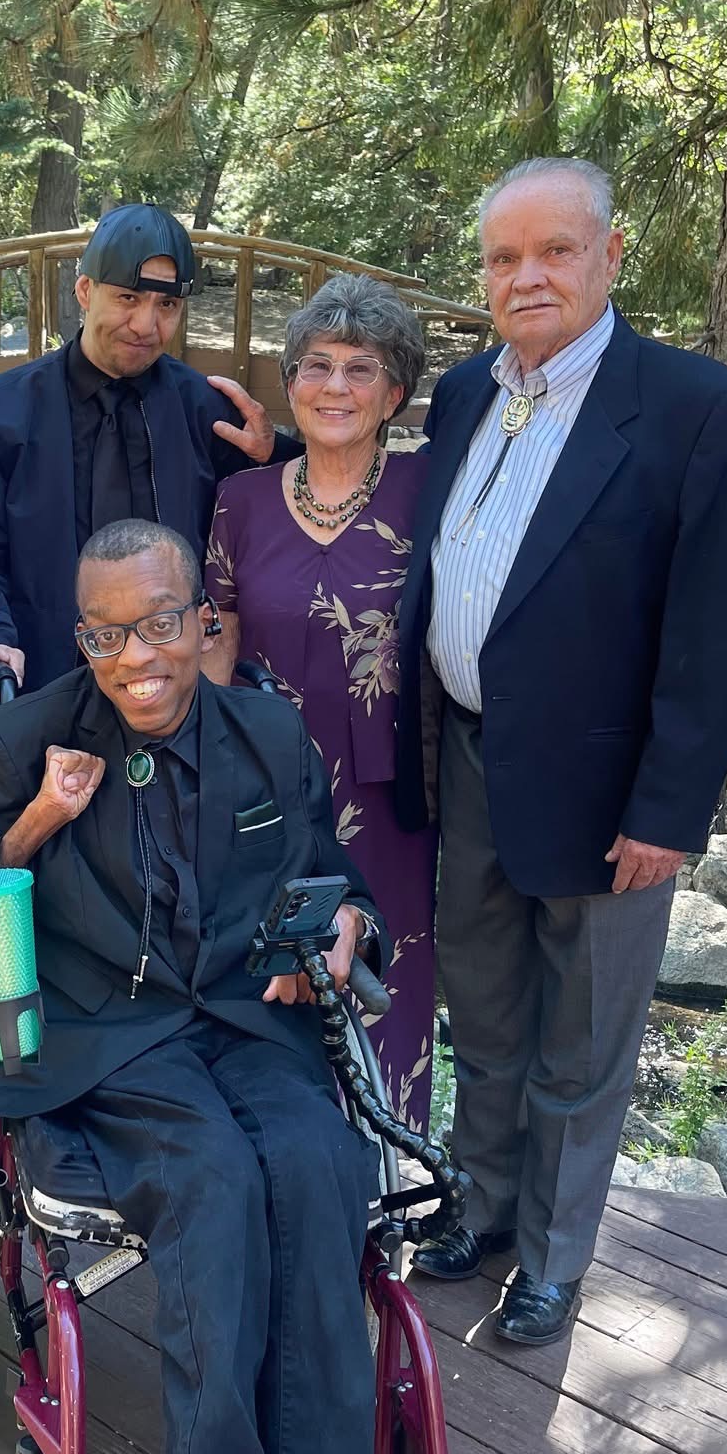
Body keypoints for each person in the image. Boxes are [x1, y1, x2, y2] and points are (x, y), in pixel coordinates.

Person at [0, 519, 497, 1454]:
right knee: (215, 1186)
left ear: (201, 617)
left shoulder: (266, 734)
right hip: (106, 1041)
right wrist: (39, 818)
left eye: (162, 622)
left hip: (245, 1022)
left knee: (323, 1165)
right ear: (81, 637)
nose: (139, 657)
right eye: (107, 633)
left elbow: (339, 883)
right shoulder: (19, 743)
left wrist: (343, 930)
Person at [396, 156, 727, 1345]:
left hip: (610, 791)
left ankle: (554, 1258)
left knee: (584, 1036)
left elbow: (720, 633)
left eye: (555, 250)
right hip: (469, 760)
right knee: (486, 1014)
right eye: (504, 257)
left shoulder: (698, 408)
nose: (528, 276)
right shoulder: (465, 392)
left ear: (611, 255)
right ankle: (481, 1208)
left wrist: (669, 809)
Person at [204, 273, 438, 1130]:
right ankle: (286, 1159)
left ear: (394, 395)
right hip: (265, 791)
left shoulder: (430, 490)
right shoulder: (242, 499)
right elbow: (218, 636)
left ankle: (387, 1171)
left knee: (384, 984)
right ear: (291, 383)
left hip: (392, 796)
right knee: (270, 979)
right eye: (317, 366)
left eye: (361, 369)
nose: (335, 386)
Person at [0, 203, 292, 701]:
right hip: (45, 685)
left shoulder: (206, 410)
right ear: (85, 290)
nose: (145, 325)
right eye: (128, 297)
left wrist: (268, 455)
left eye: (166, 305)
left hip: (177, 692)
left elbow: (291, 512)